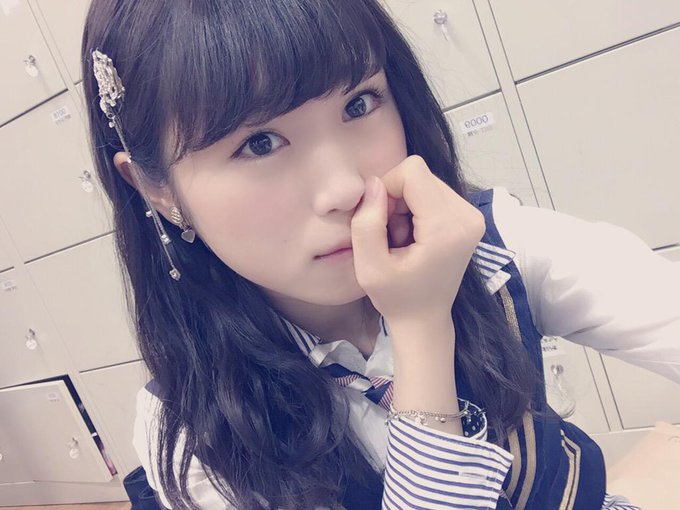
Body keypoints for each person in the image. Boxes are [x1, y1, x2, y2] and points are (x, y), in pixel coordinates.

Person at [80, 1, 679, 509]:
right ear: (157, 190)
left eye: (360, 104)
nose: (345, 187)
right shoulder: (186, 427)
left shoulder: (490, 245)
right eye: (259, 143)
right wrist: (422, 328)